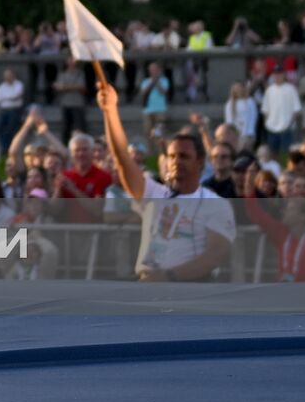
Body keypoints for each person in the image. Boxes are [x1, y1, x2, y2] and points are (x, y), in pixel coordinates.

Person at [97, 78, 235, 281]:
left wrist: (168, 276)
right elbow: (122, 158)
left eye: (184, 156)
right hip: (149, 286)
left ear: (200, 162)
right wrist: (110, 111)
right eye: (172, 156)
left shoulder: (216, 204)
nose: (176, 162)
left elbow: (213, 257)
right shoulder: (154, 193)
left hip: (191, 289)